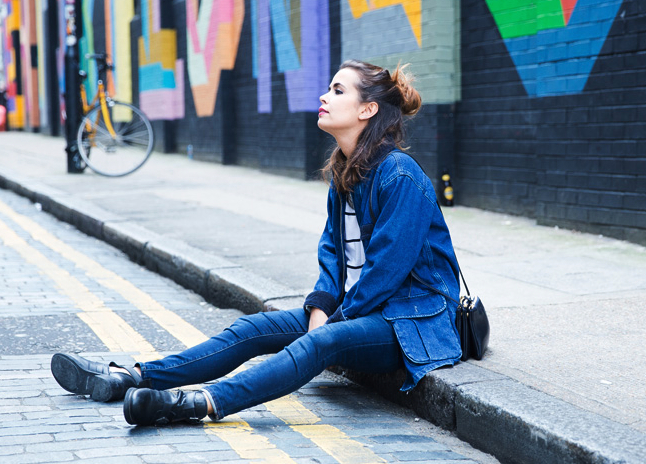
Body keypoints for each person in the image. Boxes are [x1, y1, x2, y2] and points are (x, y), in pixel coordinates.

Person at [50, 60, 463, 426]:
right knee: (251, 328)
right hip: (360, 311)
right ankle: (134, 376)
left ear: (366, 109)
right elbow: (333, 252)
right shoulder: (346, 173)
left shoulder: (400, 175)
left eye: (338, 90)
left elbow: (385, 273)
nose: (324, 95)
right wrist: (321, 306)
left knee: (321, 341)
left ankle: (198, 403)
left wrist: (331, 323)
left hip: (409, 320)